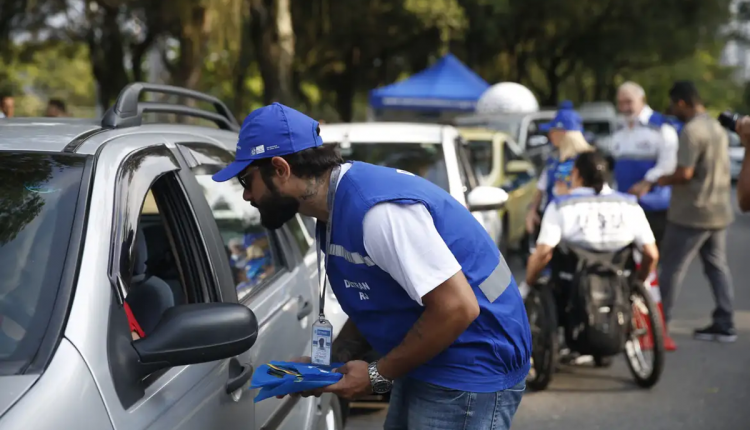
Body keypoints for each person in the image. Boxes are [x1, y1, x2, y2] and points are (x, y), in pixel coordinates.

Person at [212, 103, 531, 429]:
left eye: (245, 179)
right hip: (432, 352)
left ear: (280, 168)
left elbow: (458, 308)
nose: (247, 195)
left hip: (471, 363)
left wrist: (376, 374)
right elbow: (380, 300)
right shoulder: (332, 209)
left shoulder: (377, 212)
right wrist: (330, 363)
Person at [656, 81, 736, 343]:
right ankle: (725, 321)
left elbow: (685, 173)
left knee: (670, 269)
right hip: (718, 209)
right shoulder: (716, 127)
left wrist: (660, 180)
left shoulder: (691, 131)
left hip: (692, 213)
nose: (671, 109)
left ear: (681, 103)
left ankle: (659, 325)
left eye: (673, 104)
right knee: (716, 266)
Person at [525, 151, 659, 287]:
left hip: (572, 288)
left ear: (576, 173)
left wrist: (529, 281)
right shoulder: (630, 205)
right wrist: (638, 283)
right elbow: (651, 254)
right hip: (619, 285)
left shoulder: (560, 206)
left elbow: (543, 254)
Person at [611, 81, 679, 250]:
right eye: (620, 103)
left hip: (653, 206)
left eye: (628, 102)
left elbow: (669, 164)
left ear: (642, 99)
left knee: (654, 257)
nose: (624, 107)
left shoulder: (660, 127)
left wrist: (646, 183)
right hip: (625, 205)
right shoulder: (619, 129)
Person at [526, 101, 594, 236]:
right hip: (553, 222)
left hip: (580, 226)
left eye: (553, 131)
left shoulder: (588, 160)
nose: (549, 135)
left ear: (564, 133)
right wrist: (532, 210)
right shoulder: (553, 160)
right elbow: (541, 188)